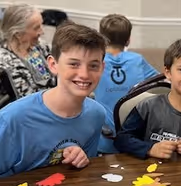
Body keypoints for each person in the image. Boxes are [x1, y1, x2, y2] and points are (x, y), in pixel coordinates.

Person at [0, 22, 107, 177]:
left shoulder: (96, 115)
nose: (84, 74)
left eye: (93, 66)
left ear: (102, 68)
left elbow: (84, 173)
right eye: (74, 64)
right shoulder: (12, 119)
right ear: (53, 64)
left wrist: (79, 158)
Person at [114, 38, 181, 159]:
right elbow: (121, 140)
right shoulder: (148, 107)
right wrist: (150, 148)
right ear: (168, 73)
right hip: (147, 174)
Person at [95, 14, 159, 154]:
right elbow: (162, 81)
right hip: (134, 139)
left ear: (101, 38)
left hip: (103, 139)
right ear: (128, 40)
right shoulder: (137, 60)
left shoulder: (95, 62)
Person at [0, 4, 55, 98]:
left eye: (41, 25)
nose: (42, 32)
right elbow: (27, 100)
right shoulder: (6, 62)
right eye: (37, 27)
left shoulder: (39, 46)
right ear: (18, 34)